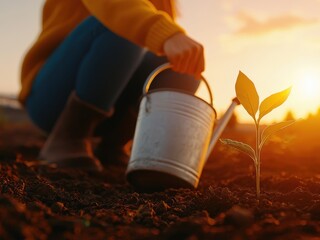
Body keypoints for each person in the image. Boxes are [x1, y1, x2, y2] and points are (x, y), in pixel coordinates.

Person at [20, 0, 205, 171]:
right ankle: (68, 137)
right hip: (51, 97)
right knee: (123, 25)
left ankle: (116, 142)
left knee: (180, 70)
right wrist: (165, 32)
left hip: (110, 108)